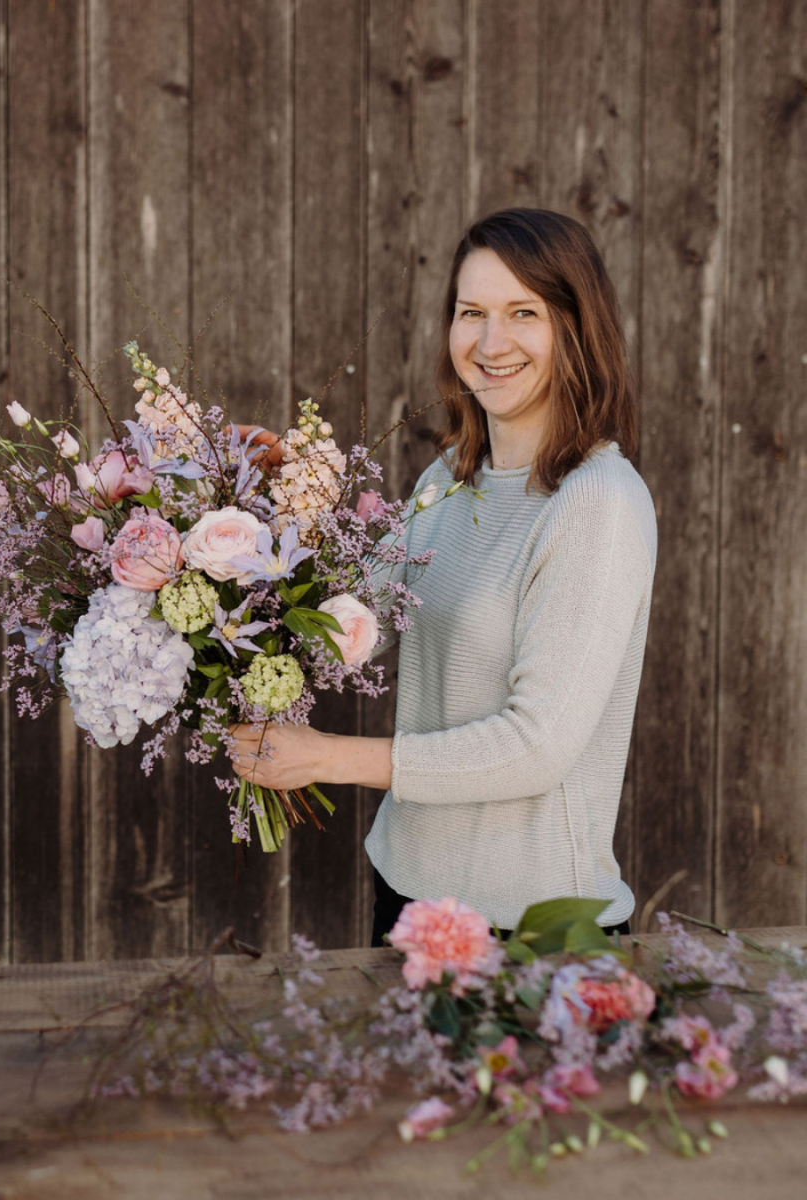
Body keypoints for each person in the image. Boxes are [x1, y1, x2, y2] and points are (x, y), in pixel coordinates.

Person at [231, 208, 656, 947]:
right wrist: (265, 511)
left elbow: (538, 744)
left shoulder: (598, 504)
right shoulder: (449, 479)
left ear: (576, 327)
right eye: (472, 313)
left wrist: (329, 758)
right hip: (407, 892)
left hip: (529, 926)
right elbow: (352, 628)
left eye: (523, 313)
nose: (491, 343)